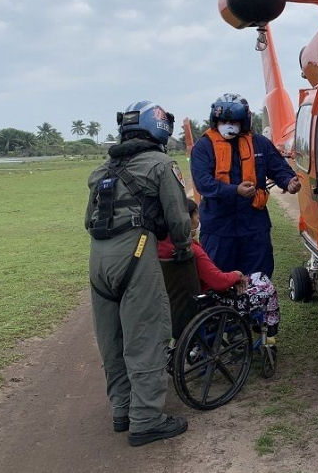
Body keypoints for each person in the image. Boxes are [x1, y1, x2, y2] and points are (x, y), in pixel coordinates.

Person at [85, 100, 191, 447]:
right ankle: (146, 420)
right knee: (145, 336)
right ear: (159, 128)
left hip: (98, 259)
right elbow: (177, 219)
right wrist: (182, 247)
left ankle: (123, 409)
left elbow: (89, 221)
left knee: (111, 339)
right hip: (135, 252)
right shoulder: (161, 164)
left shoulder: (102, 170)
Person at [190, 93, 300, 279]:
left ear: (244, 121)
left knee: (259, 277)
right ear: (215, 120)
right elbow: (203, 184)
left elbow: (278, 168)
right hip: (218, 227)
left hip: (254, 225)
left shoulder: (260, 144)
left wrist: (289, 181)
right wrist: (235, 191)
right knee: (218, 278)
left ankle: (257, 307)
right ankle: (224, 309)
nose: (228, 124)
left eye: (234, 120)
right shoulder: (203, 147)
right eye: (223, 120)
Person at [157, 198, 281, 337]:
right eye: (197, 215)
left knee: (260, 277)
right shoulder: (191, 250)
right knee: (268, 289)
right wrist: (236, 275)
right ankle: (269, 329)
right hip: (211, 303)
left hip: (179, 306)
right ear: (187, 219)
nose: (199, 220)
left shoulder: (160, 248)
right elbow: (218, 281)